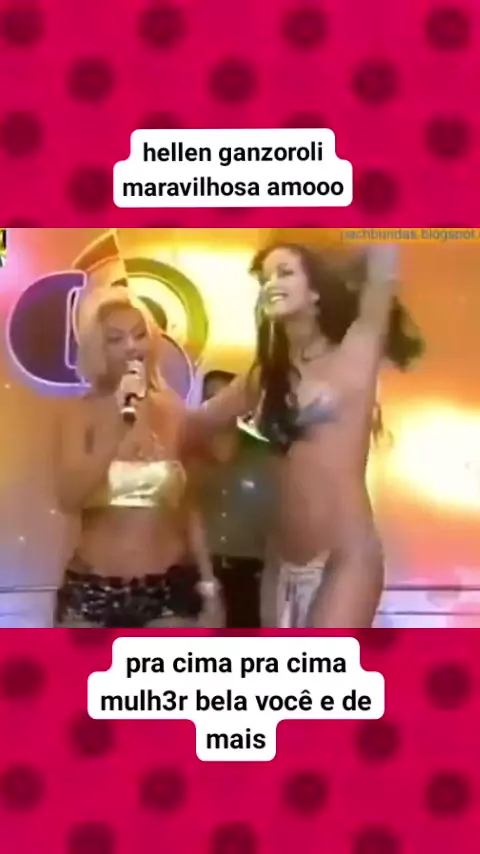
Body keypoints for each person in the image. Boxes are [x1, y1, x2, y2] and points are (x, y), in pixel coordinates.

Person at [187, 242, 424, 628]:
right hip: (281, 560)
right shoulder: (265, 376)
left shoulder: (356, 352)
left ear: (315, 292)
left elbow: (384, 259)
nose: (271, 284)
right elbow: (193, 424)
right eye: (265, 278)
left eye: (284, 272)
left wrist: (340, 260)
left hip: (345, 558)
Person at [53, 284, 219, 628]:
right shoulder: (79, 414)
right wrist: (119, 426)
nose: (132, 346)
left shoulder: (173, 411)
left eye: (139, 335)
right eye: (116, 339)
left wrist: (209, 586)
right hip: (93, 591)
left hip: (169, 589)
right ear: (98, 349)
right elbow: (69, 497)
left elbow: (190, 508)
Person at [192, 369, 274, 628]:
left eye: (225, 398)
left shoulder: (264, 453)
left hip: (250, 574)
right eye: (211, 398)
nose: (220, 407)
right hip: (197, 570)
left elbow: (278, 516)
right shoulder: (188, 449)